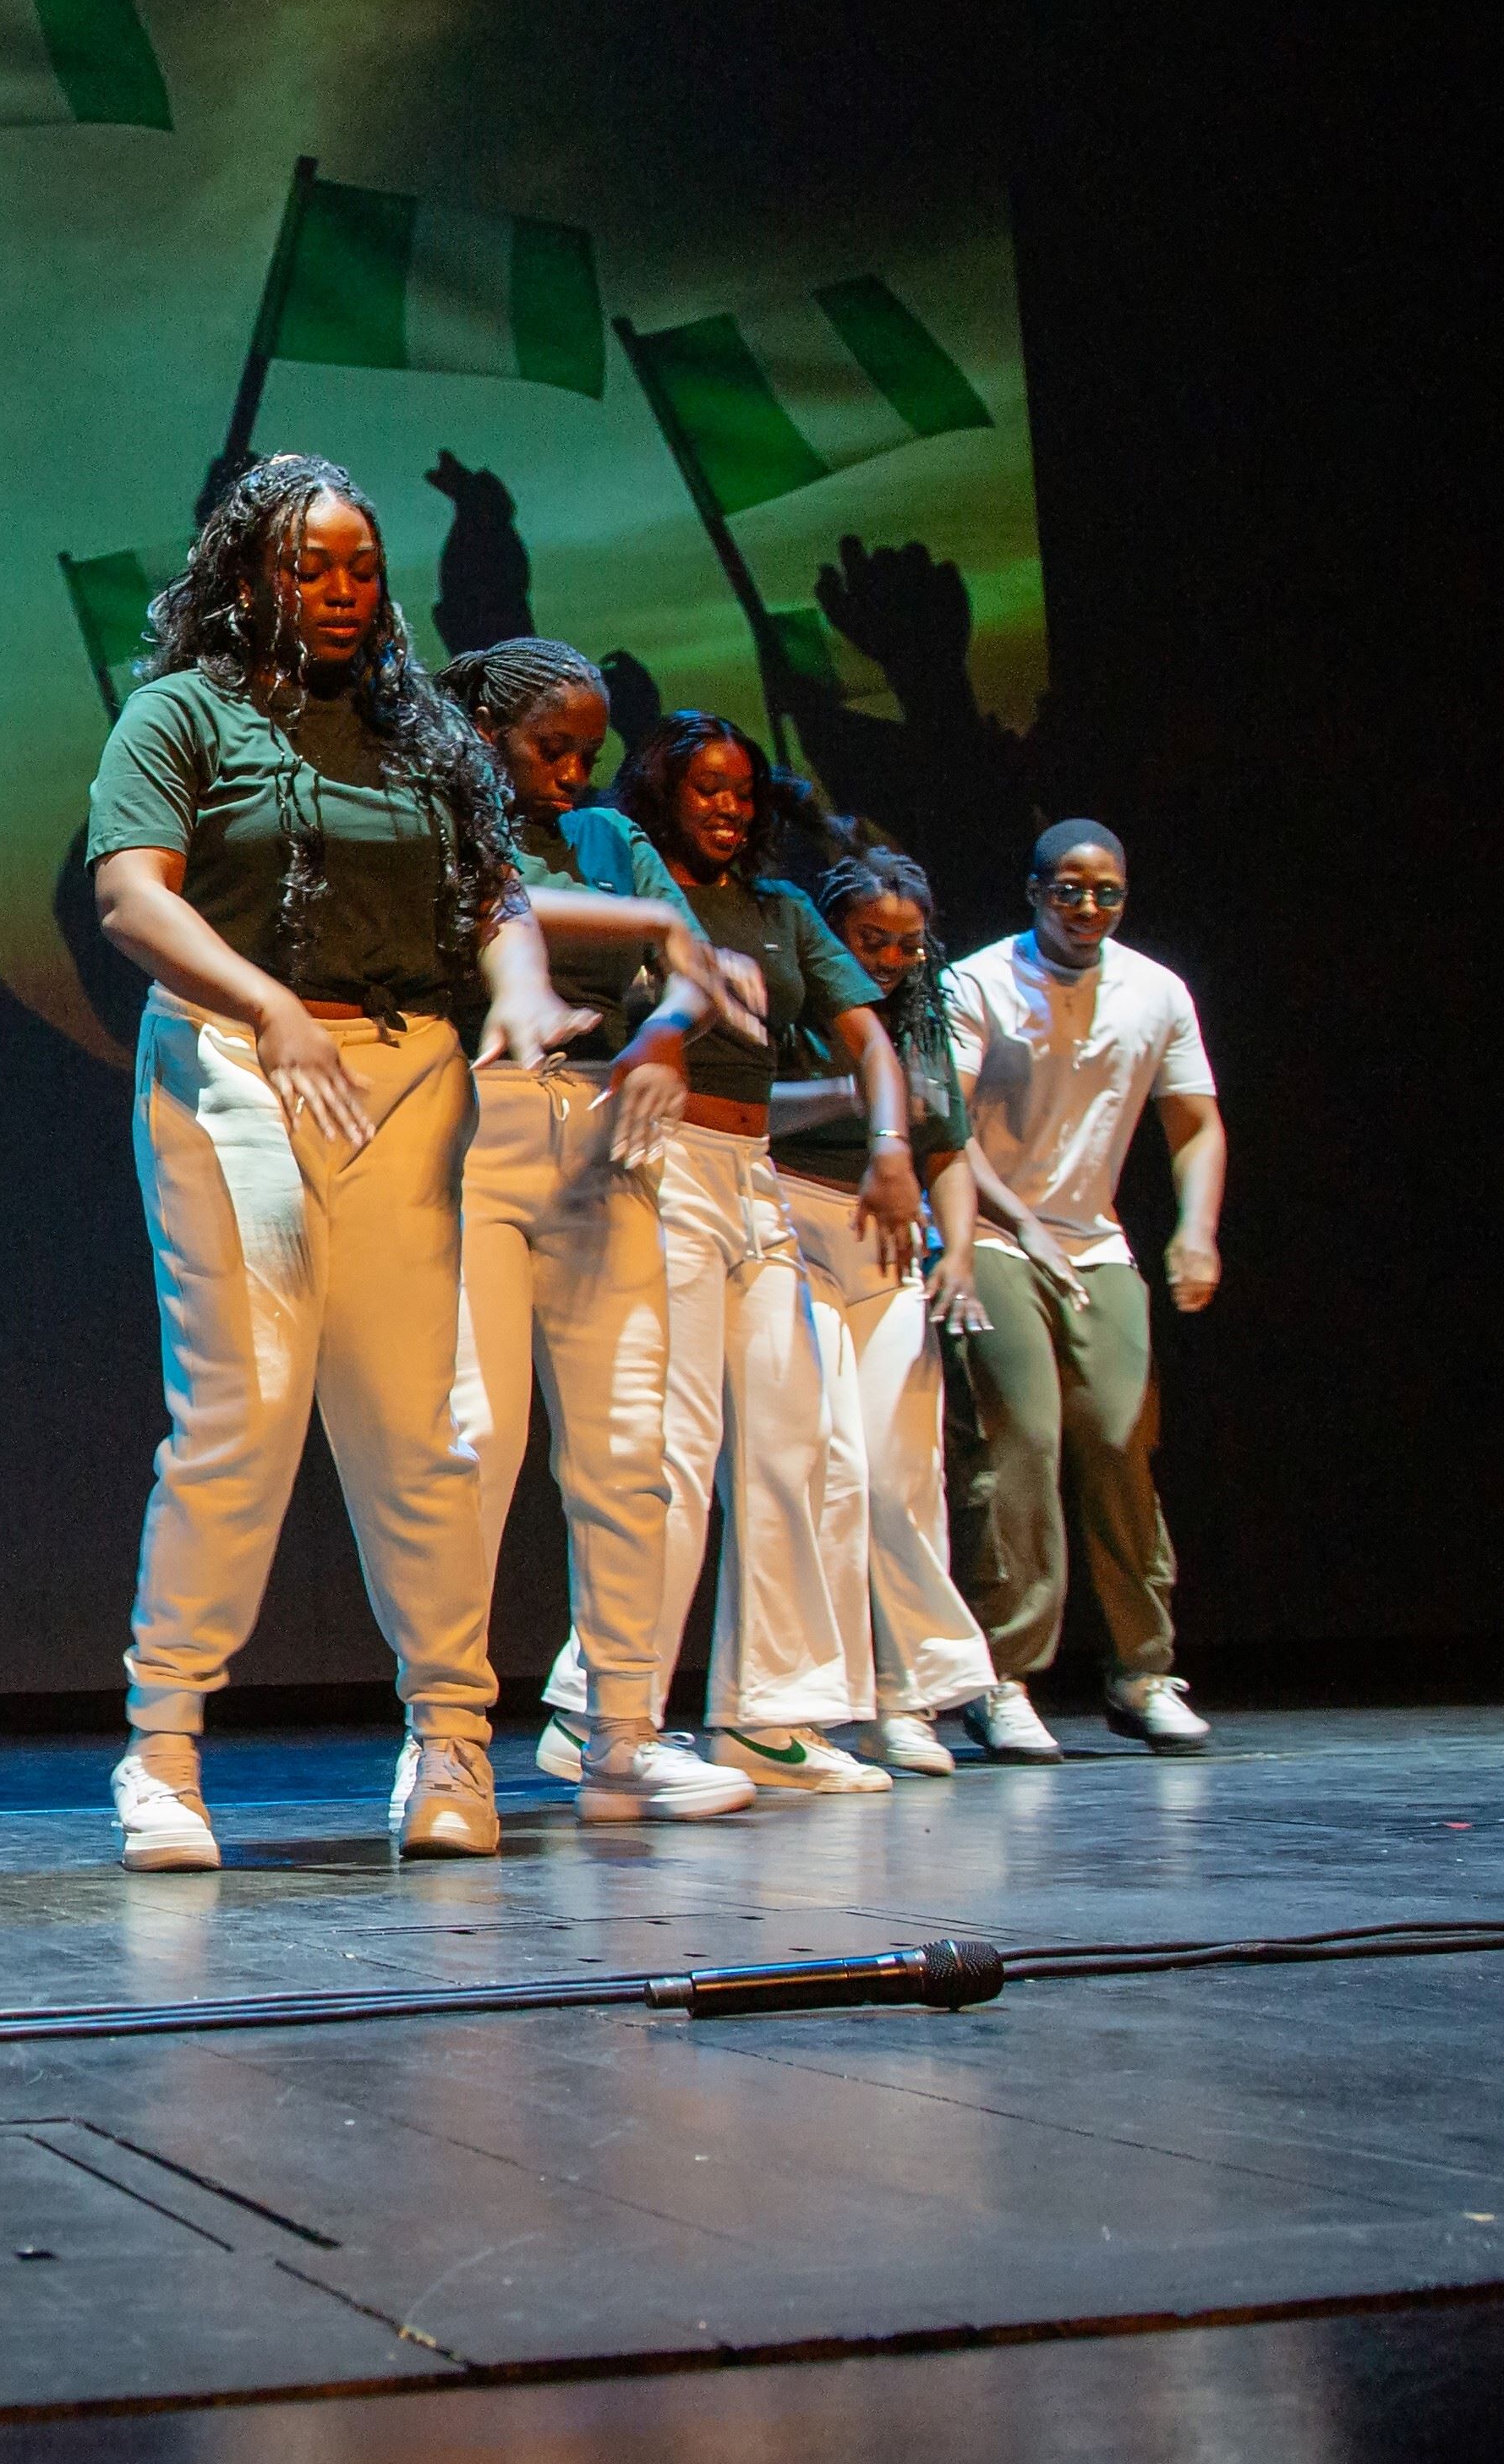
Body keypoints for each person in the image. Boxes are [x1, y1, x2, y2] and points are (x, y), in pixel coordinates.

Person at [83, 457, 577, 1871]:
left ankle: (453, 1740)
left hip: (406, 1074)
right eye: (312, 567)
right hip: (234, 1065)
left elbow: (495, 893)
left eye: (362, 567)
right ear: (249, 577)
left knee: (417, 1428)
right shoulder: (182, 714)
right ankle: (164, 1747)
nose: (344, 590)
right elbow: (129, 897)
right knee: (245, 1409)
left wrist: (523, 988)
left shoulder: (425, 733)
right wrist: (270, 1004)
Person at [539, 715, 924, 1799]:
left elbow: (869, 1040)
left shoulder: (781, 910)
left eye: (743, 791)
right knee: (669, 1447)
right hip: (655, 1167)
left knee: (796, 1444)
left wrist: (891, 1147)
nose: (728, 806)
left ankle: (768, 1715)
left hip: (754, 1178)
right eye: (706, 787)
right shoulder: (628, 883)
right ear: (662, 794)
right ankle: (599, 1708)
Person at [439, 641, 763, 1825]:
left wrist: (665, 1035)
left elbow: (691, 969)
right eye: (553, 748)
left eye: (589, 752)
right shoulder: (438, 815)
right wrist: (651, 928)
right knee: (474, 1443)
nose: (575, 773)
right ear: (485, 730)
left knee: (629, 1447)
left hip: (601, 1134)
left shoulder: (611, 838)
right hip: (469, 1131)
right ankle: (447, 1736)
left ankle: (621, 1731)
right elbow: (501, 909)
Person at [943, 820, 1228, 1749]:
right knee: (1025, 1435)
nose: (1088, 908)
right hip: (991, 1230)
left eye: (1106, 892)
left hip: (1095, 1243)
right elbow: (946, 1127)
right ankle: (1004, 1676)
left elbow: (1196, 1124)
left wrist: (1196, 1231)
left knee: (1116, 1434)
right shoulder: (977, 983)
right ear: (1035, 892)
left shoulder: (1156, 991)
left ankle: (1143, 1671)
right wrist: (1020, 1222)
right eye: (1069, 890)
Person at [774, 841, 1058, 1770]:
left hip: (893, 1244)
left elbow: (946, 1151)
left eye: (908, 944)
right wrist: (855, 1092)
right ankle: (831, 1699)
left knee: (903, 1474)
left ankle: (908, 1697)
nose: (892, 960)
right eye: (871, 940)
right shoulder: (792, 1000)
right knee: (835, 1470)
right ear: (831, 931)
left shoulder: (923, 1017)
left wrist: (960, 1255)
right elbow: (745, 1110)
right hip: (796, 1222)